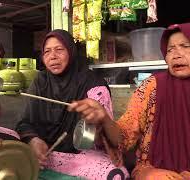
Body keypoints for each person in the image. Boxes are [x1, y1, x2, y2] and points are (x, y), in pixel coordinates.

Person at [68, 22, 190, 179]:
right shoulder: (151, 87)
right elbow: (124, 137)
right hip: (152, 170)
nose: (176, 54)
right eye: (170, 49)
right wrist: (104, 118)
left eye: (185, 46)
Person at [16, 29, 129, 179]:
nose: (53, 56)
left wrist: (99, 119)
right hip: (44, 156)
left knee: (116, 174)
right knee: (5, 148)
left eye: (59, 50)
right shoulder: (40, 82)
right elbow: (24, 122)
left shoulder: (93, 83)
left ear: (71, 51)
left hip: (80, 157)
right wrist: (34, 141)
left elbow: (108, 139)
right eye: (47, 52)